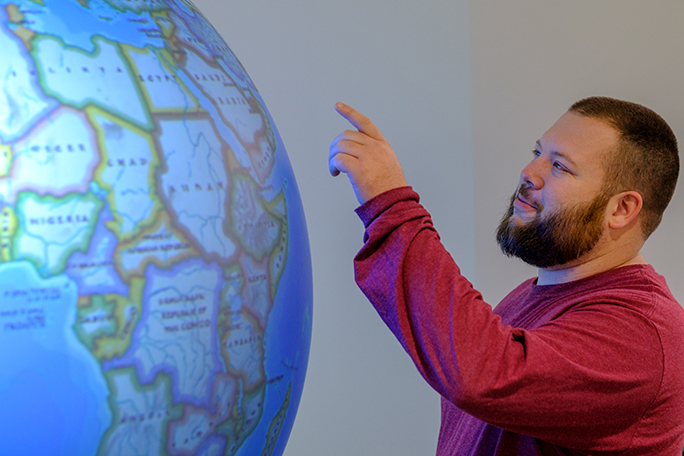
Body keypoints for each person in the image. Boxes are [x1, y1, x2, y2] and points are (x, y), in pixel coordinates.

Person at [328, 96, 684, 455]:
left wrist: (390, 204)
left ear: (622, 209)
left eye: (560, 167)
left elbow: (484, 374)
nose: (529, 173)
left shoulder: (643, 334)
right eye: (537, 152)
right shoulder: (533, 294)